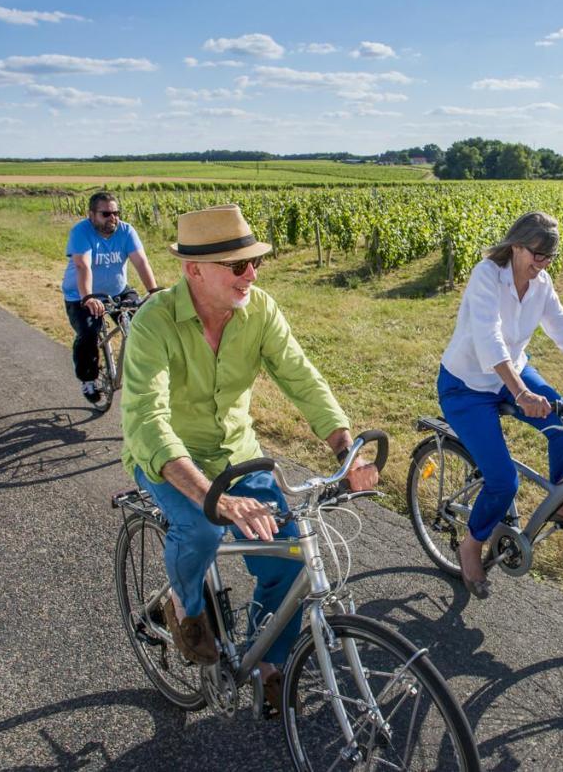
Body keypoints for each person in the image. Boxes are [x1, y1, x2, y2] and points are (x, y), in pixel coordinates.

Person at [120, 203, 379, 712]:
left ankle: (268, 662)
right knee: (200, 530)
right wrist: (215, 502)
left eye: (255, 262)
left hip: (238, 453)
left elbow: (301, 378)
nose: (252, 274)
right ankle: (185, 609)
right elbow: (149, 420)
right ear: (194, 270)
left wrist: (345, 447)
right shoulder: (154, 323)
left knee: (285, 553)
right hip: (170, 456)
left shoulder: (259, 309)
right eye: (238, 266)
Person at [437, 211, 563, 599]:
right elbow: (488, 336)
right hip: (467, 385)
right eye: (536, 255)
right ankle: (471, 546)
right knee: (503, 481)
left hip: (513, 376)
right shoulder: (487, 274)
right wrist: (521, 392)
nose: (541, 265)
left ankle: (558, 497)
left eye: (549, 258)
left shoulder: (541, 283)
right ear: (516, 245)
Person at [61, 191, 158, 403]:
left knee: (142, 326)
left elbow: (140, 262)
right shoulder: (81, 232)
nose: (113, 218)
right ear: (91, 215)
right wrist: (87, 297)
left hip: (118, 290)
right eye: (106, 214)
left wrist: (153, 291)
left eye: (116, 213)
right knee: (89, 334)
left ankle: (143, 377)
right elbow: (82, 265)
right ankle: (88, 380)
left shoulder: (126, 231)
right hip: (82, 294)